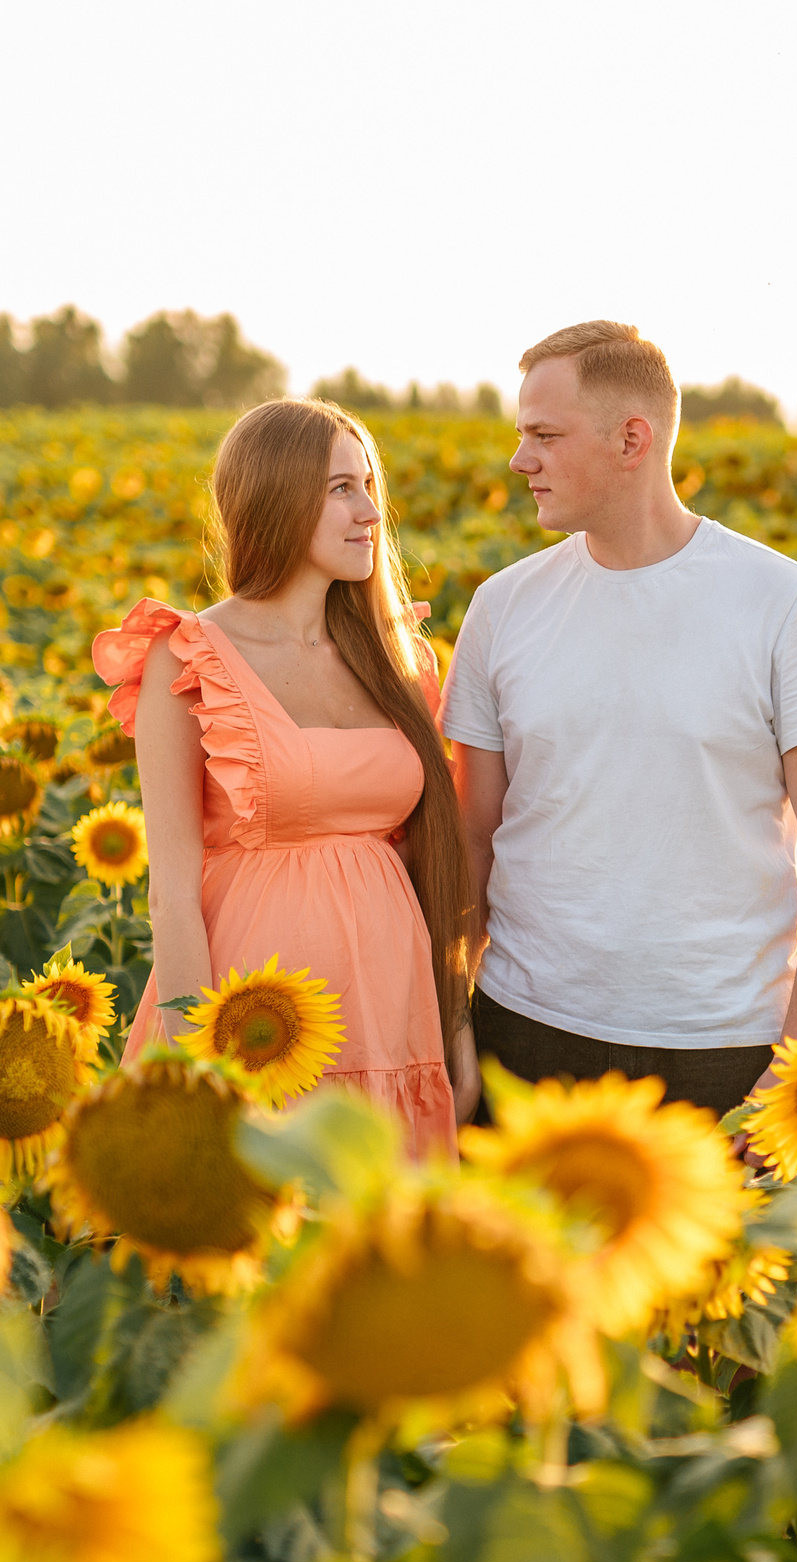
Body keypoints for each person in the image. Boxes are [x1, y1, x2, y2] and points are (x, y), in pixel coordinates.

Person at [441, 322, 797, 1118]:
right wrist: (452, 1018)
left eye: (545, 435)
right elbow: (471, 836)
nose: (519, 460)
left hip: (723, 1050)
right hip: (524, 1031)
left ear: (631, 439)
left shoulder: (785, 606)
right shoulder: (501, 609)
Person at [93, 397, 476, 1157]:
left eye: (369, 485)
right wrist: (196, 1068)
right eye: (341, 489)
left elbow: (430, 861)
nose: (371, 512)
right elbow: (172, 894)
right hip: (249, 1024)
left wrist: (456, 1028)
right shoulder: (190, 655)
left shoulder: (400, 657)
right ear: (276, 497)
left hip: (394, 1017)